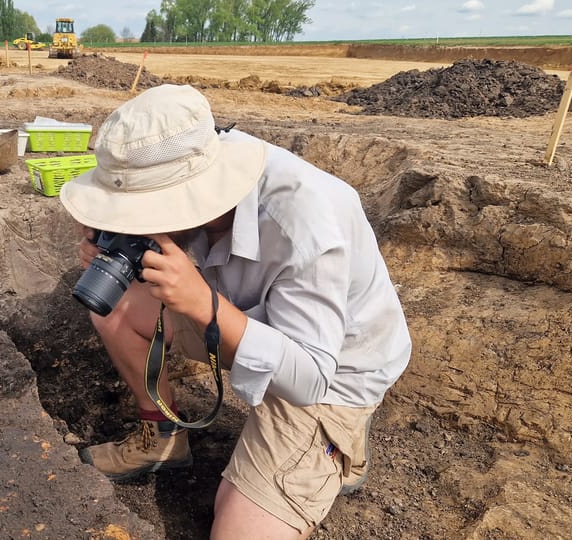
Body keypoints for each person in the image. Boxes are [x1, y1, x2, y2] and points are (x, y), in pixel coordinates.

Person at [58, 84, 412, 539]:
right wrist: (107, 245)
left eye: (139, 214)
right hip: (242, 320)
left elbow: (310, 376)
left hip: (333, 372)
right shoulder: (188, 156)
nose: (132, 225)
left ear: (189, 198)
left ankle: (340, 441)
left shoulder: (304, 225)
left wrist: (204, 305)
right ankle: (162, 437)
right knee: (116, 306)